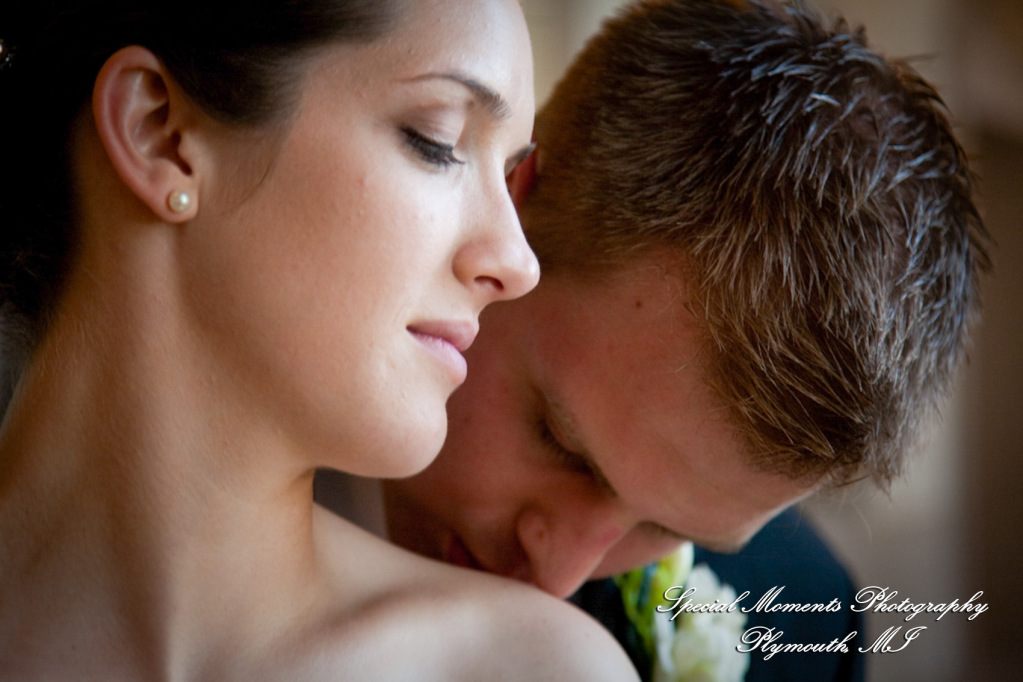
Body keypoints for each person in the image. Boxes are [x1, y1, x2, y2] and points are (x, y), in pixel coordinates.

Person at [317, 0, 989, 679]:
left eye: (668, 532)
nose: (556, 573)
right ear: (513, 208)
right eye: (561, 443)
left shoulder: (803, 627)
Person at [0, 2, 643, 680]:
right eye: (438, 141)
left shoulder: (533, 670)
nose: (516, 261)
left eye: (508, 176)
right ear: (159, 134)